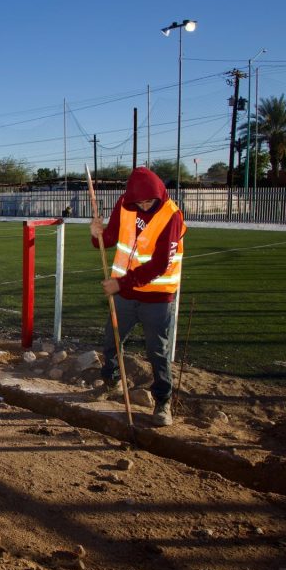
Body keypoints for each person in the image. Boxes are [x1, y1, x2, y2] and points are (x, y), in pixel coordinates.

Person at [89, 167, 186, 426]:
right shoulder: (125, 203)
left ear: (159, 194)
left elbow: (160, 264)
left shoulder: (171, 216)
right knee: (111, 340)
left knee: (158, 351)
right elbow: (109, 238)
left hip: (157, 296)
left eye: (149, 201)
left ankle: (163, 401)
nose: (144, 206)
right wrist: (96, 233)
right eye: (139, 202)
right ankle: (111, 381)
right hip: (124, 293)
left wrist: (121, 283)